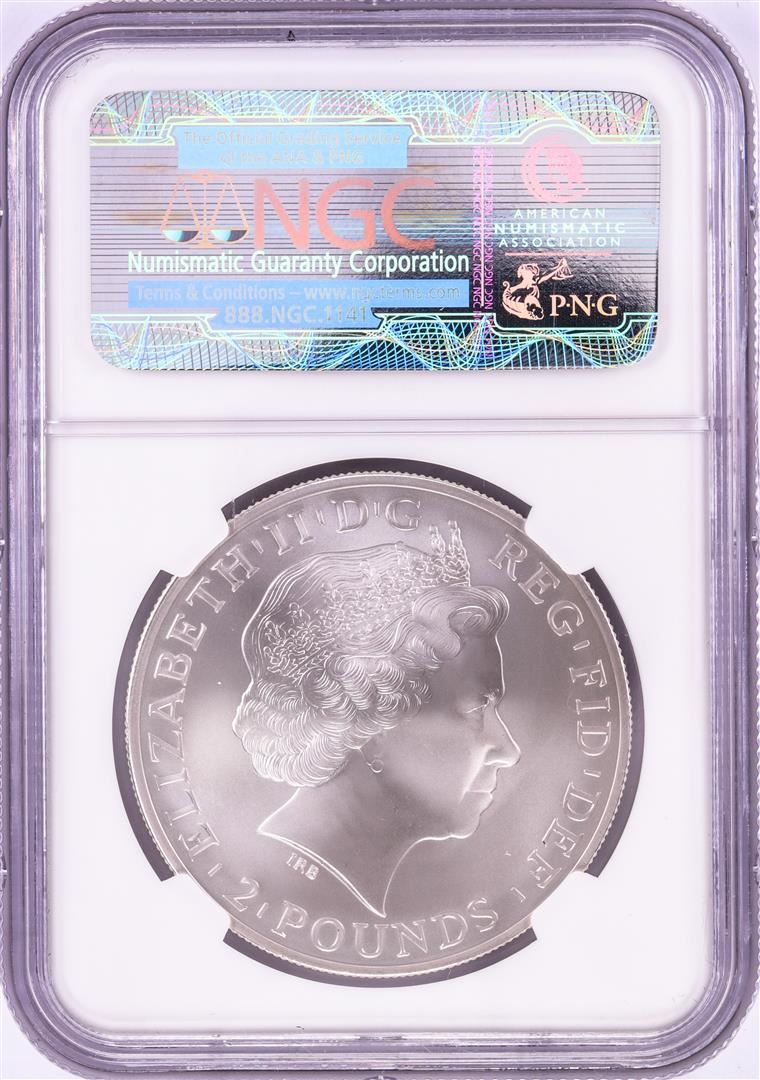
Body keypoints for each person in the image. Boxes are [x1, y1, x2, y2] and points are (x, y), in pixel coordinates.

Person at [232, 524, 520, 917]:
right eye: (474, 711)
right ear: (371, 731)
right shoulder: (273, 885)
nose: (508, 751)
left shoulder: (293, 886)